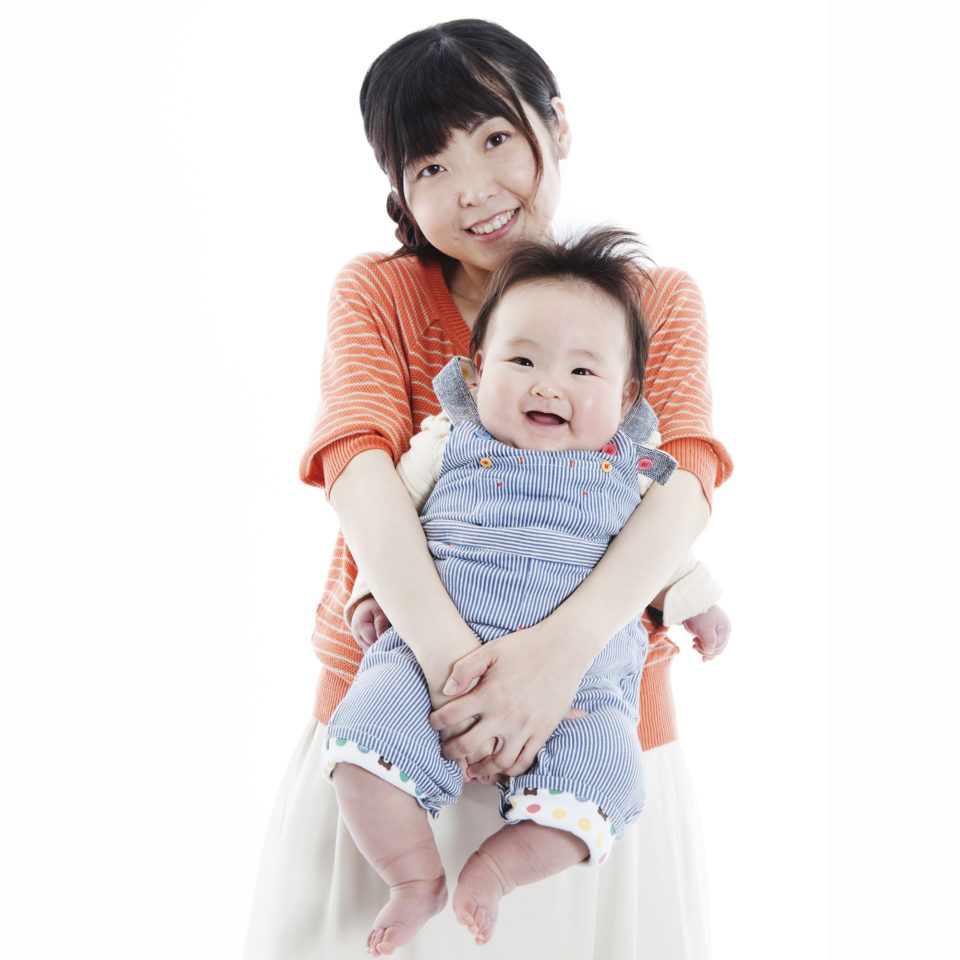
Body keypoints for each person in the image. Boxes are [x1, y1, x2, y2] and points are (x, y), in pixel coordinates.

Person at [243, 19, 733, 960]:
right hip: (389, 723)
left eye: (496, 137)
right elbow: (359, 472)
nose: (472, 189)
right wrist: (455, 672)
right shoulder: (379, 294)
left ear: (558, 124)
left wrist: (556, 662)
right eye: (430, 165)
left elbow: (683, 487)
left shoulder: (655, 299)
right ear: (399, 188)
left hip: (590, 725)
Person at [323, 228, 729, 956]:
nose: (549, 385)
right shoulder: (446, 441)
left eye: (582, 371)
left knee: (609, 777)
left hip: (583, 690)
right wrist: (368, 600)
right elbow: (387, 522)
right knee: (360, 748)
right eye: (522, 361)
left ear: (626, 397)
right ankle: (415, 877)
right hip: (422, 666)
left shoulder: (634, 475)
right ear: (476, 371)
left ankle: (499, 870)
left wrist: (701, 605)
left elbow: (667, 555)